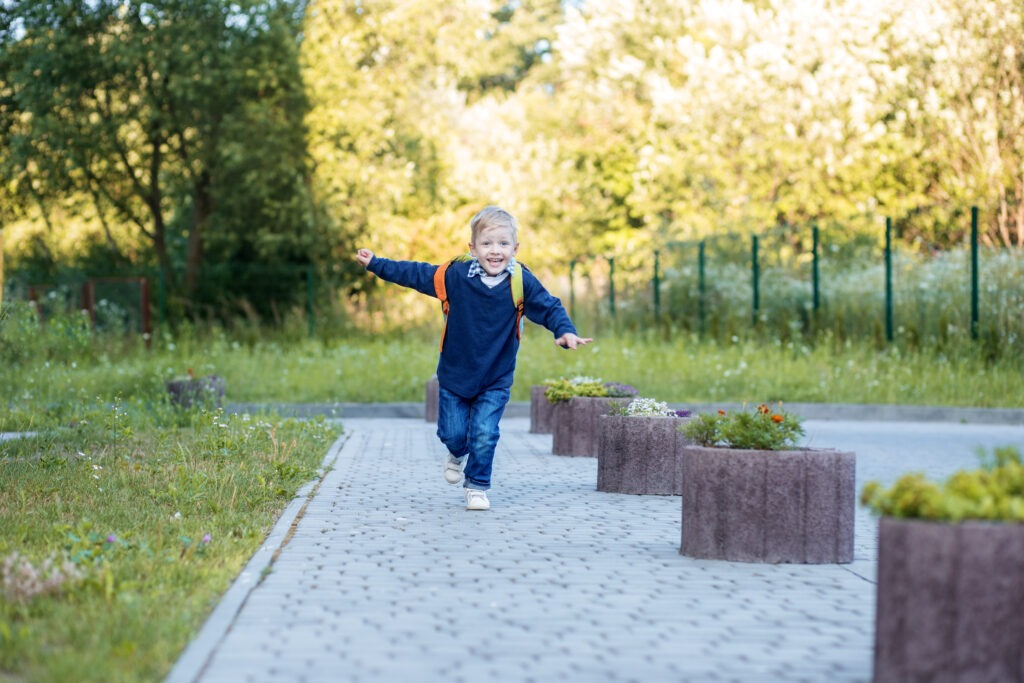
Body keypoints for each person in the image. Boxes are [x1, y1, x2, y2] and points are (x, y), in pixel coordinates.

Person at [355, 205, 592, 511]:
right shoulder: (455, 276)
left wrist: (565, 331)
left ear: (515, 248)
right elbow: (415, 273)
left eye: (504, 244)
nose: (496, 251)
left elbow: (550, 306)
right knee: (452, 433)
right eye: (487, 244)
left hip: (496, 376)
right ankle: (457, 452)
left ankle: (477, 486)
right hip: (455, 374)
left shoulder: (520, 281)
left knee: (485, 432)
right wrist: (376, 263)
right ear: (473, 248)